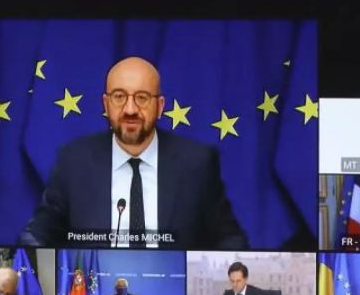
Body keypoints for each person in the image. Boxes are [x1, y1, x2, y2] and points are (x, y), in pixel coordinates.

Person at [20, 56, 246, 249]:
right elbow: (39, 234)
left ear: (160, 106)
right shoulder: (73, 161)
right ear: (106, 104)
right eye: (119, 97)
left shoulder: (197, 163)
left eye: (142, 98)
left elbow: (230, 239)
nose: (130, 110)